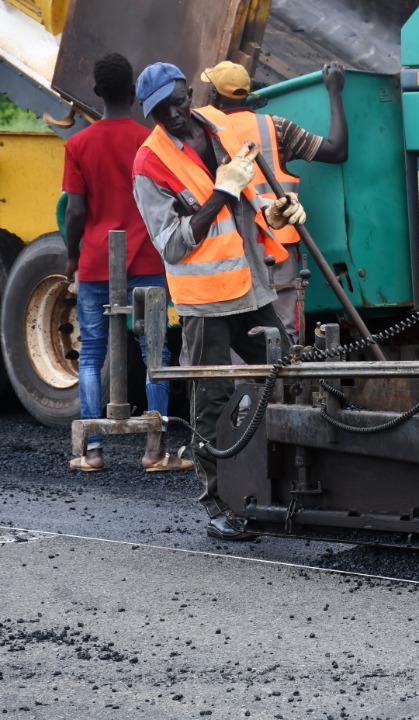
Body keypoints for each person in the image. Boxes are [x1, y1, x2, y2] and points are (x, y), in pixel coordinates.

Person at [131, 62, 305, 541]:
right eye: (161, 111)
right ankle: (216, 505)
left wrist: (274, 213)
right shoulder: (150, 164)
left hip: (251, 288)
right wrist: (219, 192)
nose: (173, 115)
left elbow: (245, 201)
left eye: (177, 102)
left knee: (289, 374)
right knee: (212, 402)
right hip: (206, 304)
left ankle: (291, 486)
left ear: (190, 93)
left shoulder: (218, 128)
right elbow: (171, 244)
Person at [62, 52, 192, 474]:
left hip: (98, 263)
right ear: (135, 90)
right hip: (149, 259)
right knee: (155, 351)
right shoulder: (150, 140)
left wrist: (71, 256)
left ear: (97, 92)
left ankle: (92, 451)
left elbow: (76, 211)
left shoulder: (78, 144)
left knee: (91, 354)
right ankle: (155, 451)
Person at [197, 60, 348, 345]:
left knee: (236, 335)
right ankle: (283, 386)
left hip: (230, 248)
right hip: (280, 247)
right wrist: (334, 93)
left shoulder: (204, 134)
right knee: (284, 338)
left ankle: (245, 390)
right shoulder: (276, 127)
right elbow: (336, 150)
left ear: (214, 96)